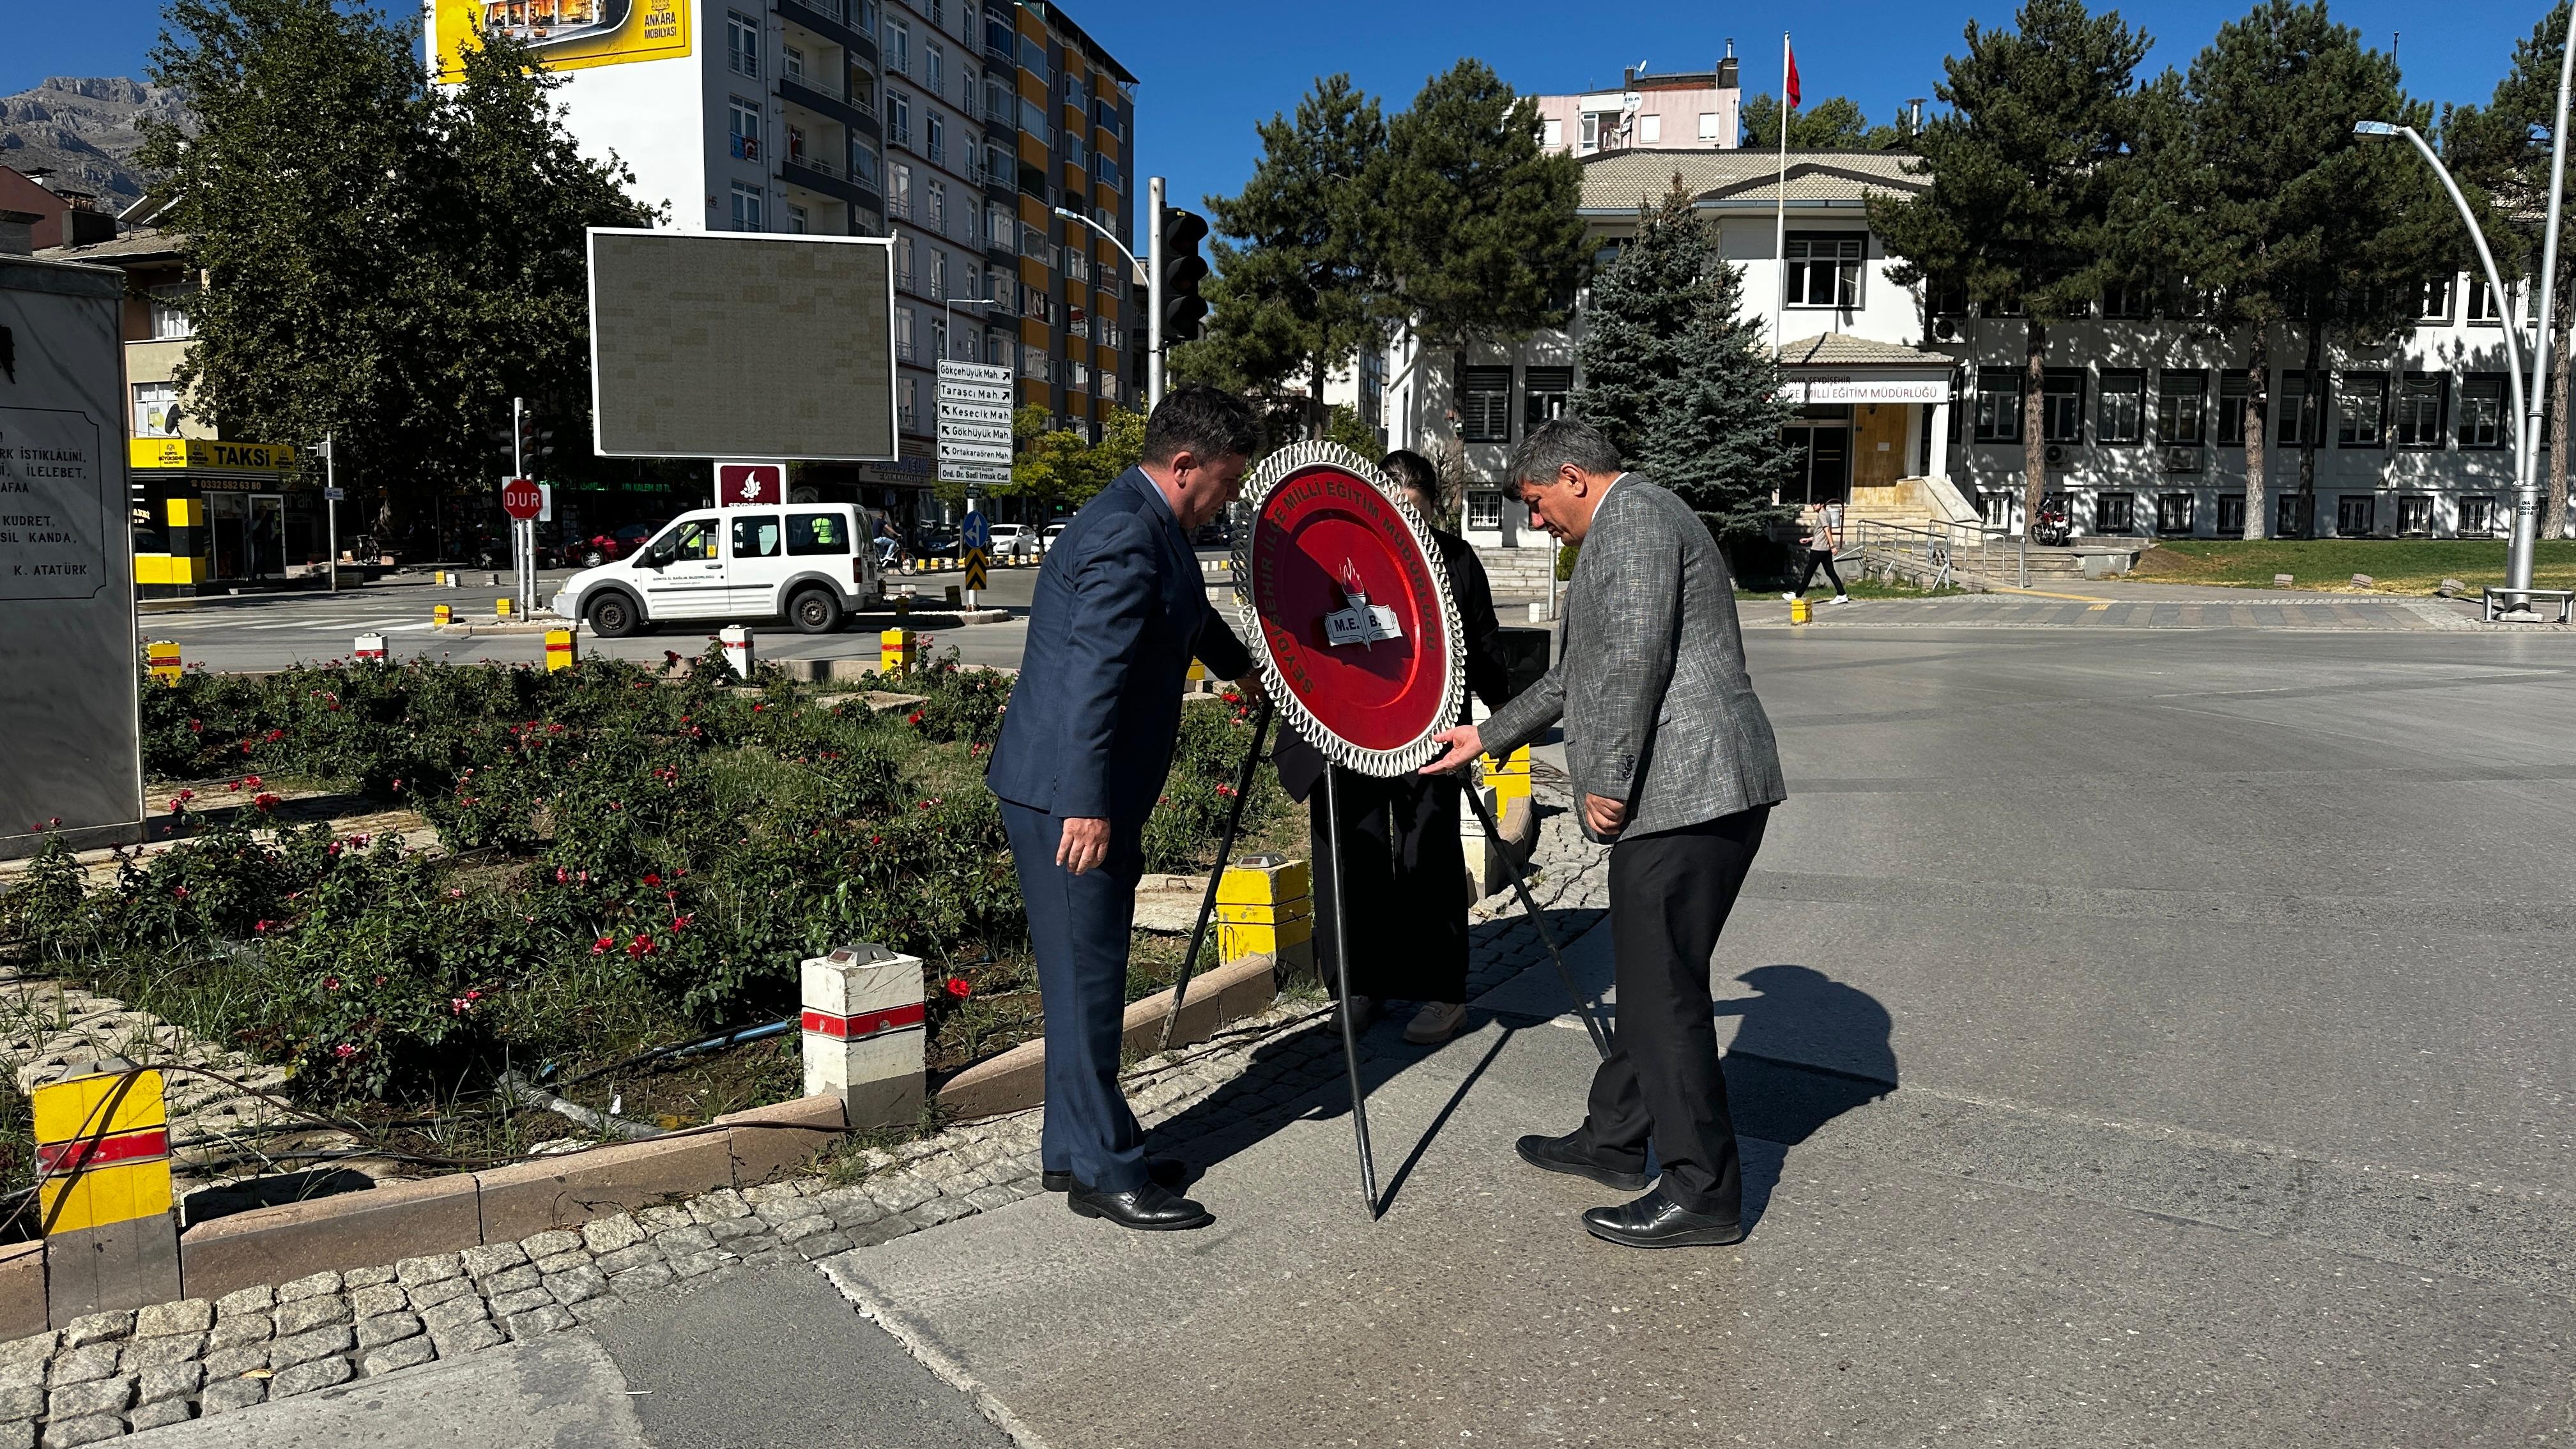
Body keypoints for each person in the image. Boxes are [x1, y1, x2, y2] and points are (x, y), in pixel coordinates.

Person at [1423, 417, 1786, 1250]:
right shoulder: (1633, 520)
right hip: (1695, 794)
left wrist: (1608, 784)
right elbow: (1572, 675)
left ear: (1576, 478)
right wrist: (1485, 736)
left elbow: (1627, 663)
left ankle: (1704, 1192)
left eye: (1539, 504)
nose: (1538, 521)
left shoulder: (1631, 522)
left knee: (1664, 993)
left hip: (1685, 795)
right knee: (1650, 976)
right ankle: (1616, 1137)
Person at [984, 385, 1265, 1233]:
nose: (1228, 501)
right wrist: (1086, 804)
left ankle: (1078, 1150)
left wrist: (1239, 666)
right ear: (1185, 467)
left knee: (1086, 983)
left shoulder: (1153, 526)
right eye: (1224, 483)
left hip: (1077, 792)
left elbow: (1187, 610)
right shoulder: (1122, 533)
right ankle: (1107, 1170)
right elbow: (1088, 679)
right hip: (1067, 800)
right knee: (1088, 985)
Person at [1275, 450, 1513, 1048]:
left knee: (1428, 851)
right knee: (1353, 852)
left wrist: (1505, 720)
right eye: (1393, 510)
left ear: (1433, 508)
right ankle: (1358, 982)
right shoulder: (1345, 555)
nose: (1405, 524)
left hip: (1426, 730)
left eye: (1415, 512)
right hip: (1348, 729)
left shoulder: (1454, 560)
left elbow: (1483, 644)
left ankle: (1442, 992)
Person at [1784, 498, 1849, 604]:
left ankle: (1798, 595)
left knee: (1809, 572)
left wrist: (1833, 546)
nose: (1813, 506)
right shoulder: (1827, 514)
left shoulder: (1822, 515)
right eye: (1812, 504)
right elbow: (1821, 534)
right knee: (1830, 572)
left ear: (1822, 504)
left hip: (1819, 549)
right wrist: (1810, 539)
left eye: (1815, 504)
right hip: (1825, 548)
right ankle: (1842, 594)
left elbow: (1827, 530)